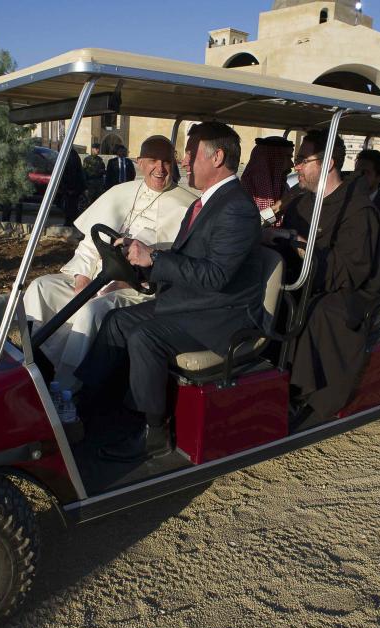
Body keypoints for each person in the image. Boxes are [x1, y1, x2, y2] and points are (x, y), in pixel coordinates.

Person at [75, 122, 263, 462]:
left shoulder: (236, 207)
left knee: (146, 336)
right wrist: (145, 268)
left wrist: (156, 258)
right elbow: (185, 261)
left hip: (221, 316)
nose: (185, 161)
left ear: (217, 156)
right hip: (193, 303)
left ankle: (154, 433)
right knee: (117, 320)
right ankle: (85, 404)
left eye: (190, 153)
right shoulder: (205, 204)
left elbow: (217, 275)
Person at [23, 136, 196, 388]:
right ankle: (35, 363)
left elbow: (175, 263)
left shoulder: (187, 205)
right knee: (41, 287)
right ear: (139, 162)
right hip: (96, 278)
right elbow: (90, 244)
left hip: (139, 292)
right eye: (152, 161)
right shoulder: (120, 192)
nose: (160, 169)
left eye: (166, 162)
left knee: (91, 311)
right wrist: (82, 277)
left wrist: (122, 285)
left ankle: (70, 386)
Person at [274, 130, 380, 424]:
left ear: (329, 163)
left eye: (303, 160)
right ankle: (266, 378)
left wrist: (302, 249)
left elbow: (351, 270)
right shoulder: (301, 201)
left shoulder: (360, 211)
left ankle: (308, 395)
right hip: (304, 279)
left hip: (348, 291)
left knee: (317, 311)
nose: (296, 166)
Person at [240, 136, 294, 226]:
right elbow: (249, 225)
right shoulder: (245, 190)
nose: (292, 164)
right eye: (288, 157)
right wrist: (278, 207)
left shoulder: (284, 187)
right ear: (272, 159)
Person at [57, 148, 87, 226]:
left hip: (73, 186)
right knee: (70, 206)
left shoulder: (72, 154)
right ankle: (70, 222)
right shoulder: (67, 154)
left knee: (72, 206)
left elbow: (78, 171)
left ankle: (70, 223)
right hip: (69, 186)